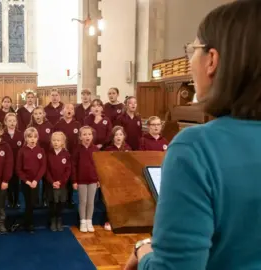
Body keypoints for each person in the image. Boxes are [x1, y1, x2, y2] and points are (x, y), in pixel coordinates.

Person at [125, 1, 261, 269]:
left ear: (212, 60)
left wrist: (144, 252)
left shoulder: (197, 148)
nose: (189, 61)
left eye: (192, 50)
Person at [16, 127, 47, 233]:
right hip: (26, 182)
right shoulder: (22, 151)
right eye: (30, 137)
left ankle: (26, 221)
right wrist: (27, 181)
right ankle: (29, 224)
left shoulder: (41, 150)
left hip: (36, 182)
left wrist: (36, 180)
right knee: (28, 202)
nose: (32, 139)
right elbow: (19, 169)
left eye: (34, 137)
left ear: (37, 138)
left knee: (32, 203)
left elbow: (43, 166)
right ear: (26, 138)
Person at [72, 126, 99, 233]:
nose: (87, 136)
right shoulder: (77, 150)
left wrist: (98, 179)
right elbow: (73, 165)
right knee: (83, 201)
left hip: (93, 180)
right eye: (84, 134)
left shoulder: (96, 149)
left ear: (92, 136)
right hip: (81, 180)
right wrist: (74, 180)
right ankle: (82, 221)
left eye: (89, 134)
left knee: (91, 201)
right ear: (80, 137)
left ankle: (89, 220)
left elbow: (98, 165)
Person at [54, 103, 81, 207]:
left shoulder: (77, 124)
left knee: (71, 176)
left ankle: (70, 199)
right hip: (61, 155)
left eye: (71, 109)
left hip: (74, 155)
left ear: (73, 112)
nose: (69, 110)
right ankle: (61, 199)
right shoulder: (58, 124)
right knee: (62, 176)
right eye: (67, 108)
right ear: (63, 111)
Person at [28, 106, 53, 207]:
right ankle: (35, 199)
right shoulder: (30, 127)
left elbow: (52, 141)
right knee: (35, 177)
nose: (38, 116)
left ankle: (45, 198)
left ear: (43, 114)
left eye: (40, 113)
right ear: (33, 115)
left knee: (46, 179)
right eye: (36, 114)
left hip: (46, 156)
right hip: (34, 158)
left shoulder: (49, 126)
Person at [46, 132, 71, 231]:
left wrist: (61, 182)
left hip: (62, 184)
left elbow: (68, 170)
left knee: (61, 202)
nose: (56, 142)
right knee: (52, 202)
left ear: (63, 142)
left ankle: (59, 219)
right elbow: (46, 170)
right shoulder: (48, 154)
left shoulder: (66, 154)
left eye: (58, 140)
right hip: (51, 184)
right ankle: (52, 219)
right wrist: (52, 182)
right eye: (54, 140)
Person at [2, 112, 24, 209]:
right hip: (6, 164)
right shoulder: (2, 134)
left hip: (17, 163)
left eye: (14, 121)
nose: (12, 123)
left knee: (16, 183)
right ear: (5, 122)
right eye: (9, 121)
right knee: (7, 182)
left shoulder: (21, 134)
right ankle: (9, 200)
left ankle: (16, 200)